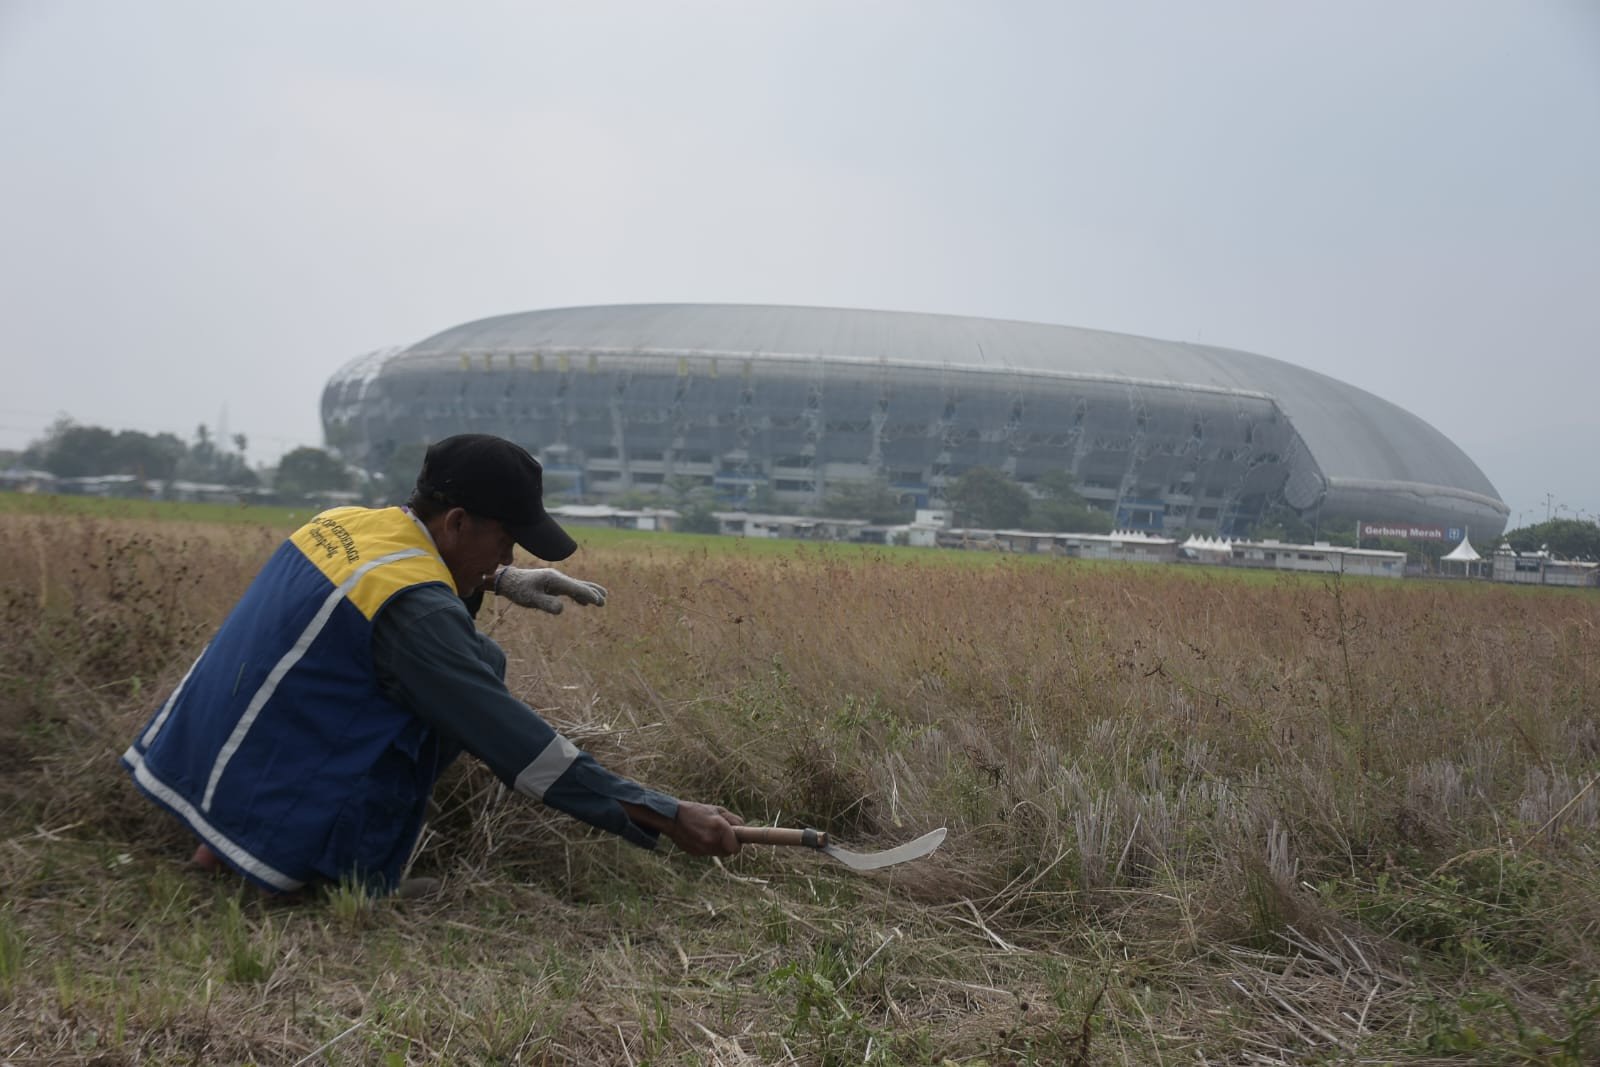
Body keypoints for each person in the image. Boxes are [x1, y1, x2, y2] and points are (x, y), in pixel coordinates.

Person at [122, 433, 742, 896]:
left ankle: (218, 847)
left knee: (477, 655)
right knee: (467, 682)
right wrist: (664, 811)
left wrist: (494, 577)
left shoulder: (345, 523)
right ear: (456, 522)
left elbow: (387, 591)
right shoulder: (417, 615)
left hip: (191, 758)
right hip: (256, 789)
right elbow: (517, 745)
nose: (508, 554)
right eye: (504, 543)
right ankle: (343, 879)